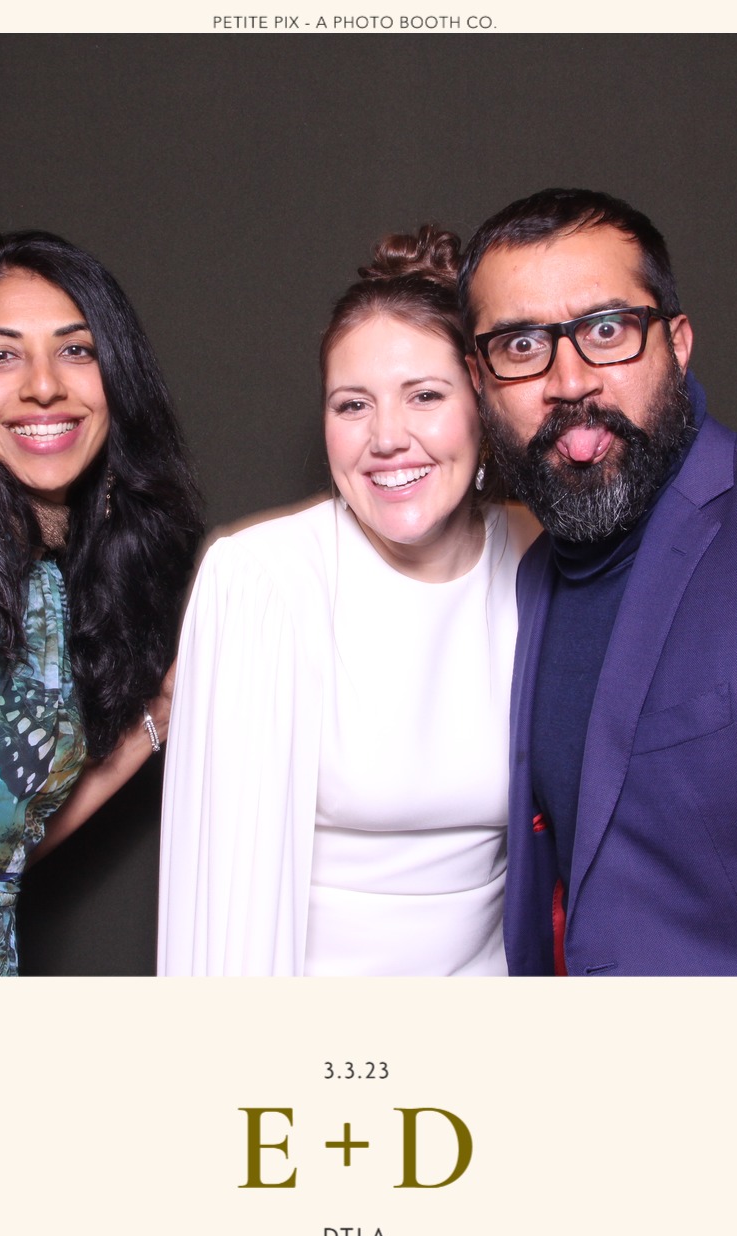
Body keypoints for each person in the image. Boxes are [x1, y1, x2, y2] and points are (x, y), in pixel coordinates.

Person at [458, 187, 737, 976]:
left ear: (678, 343)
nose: (570, 381)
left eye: (606, 330)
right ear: (479, 381)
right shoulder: (534, 571)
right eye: (521, 345)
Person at [158, 226, 540, 975]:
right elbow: (223, 915)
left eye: (425, 396)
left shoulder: (540, 555)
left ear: (484, 406)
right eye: (352, 405)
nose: (386, 437)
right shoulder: (261, 581)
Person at [0, 230, 203, 976]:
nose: (43, 386)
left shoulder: (51, 577)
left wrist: (161, 711)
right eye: (1, 355)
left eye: (76, 350)